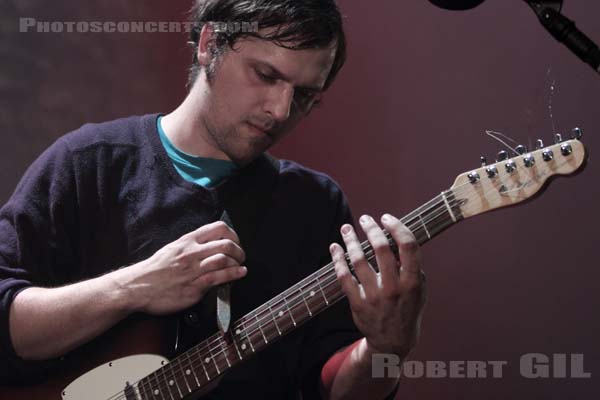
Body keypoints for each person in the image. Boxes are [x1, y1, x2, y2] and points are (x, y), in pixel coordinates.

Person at [0, 0, 426, 398]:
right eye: (266, 75)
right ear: (209, 44)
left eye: (303, 95)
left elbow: (336, 388)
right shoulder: (87, 162)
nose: (279, 110)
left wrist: (386, 348)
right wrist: (135, 285)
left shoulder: (315, 204)